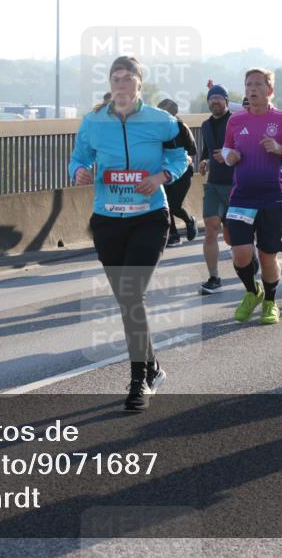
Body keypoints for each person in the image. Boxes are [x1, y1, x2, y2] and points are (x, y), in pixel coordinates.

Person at [69, 56, 189, 413]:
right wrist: (78, 172)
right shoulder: (93, 122)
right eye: (115, 78)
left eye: (128, 78)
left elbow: (182, 157)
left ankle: (139, 379)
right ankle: (152, 366)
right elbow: (78, 157)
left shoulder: (161, 120)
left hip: (150, 217)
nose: (121, 84)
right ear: (110, 84)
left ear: (139, 84)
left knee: (131, 292)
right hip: (108, 219)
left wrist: (161, 177)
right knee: (127, 300)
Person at [222, 68, 282, 324]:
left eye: (259, 84)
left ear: (270, 90)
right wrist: (230, 157)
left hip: (272, 196)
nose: (253, 89)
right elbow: (227, 149)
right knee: (240, 253)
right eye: (249, 84)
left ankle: (270, 300)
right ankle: (253, 291)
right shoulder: (235, 120)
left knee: (268, 256)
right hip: (242, 196)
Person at [198, 82, 235, 294]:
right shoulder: (205, 125)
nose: (215, 101)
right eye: (211, 98)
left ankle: (251, 255)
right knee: (211, 229)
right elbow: (207, 150)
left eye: (219, 98)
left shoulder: (236, 121)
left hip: (235, 184)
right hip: (213, 184)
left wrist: (230, 153)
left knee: (232, 236)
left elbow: (245, 148)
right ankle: (214, 277)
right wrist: (204, 160)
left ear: (226, 101)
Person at [157, 99, 198, 247]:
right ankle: (173, 235)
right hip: (164, 172)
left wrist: (183, 161)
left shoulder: (181, 127)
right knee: (166, 205)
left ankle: (189, 221)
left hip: (182, 172)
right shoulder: (157, 130)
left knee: (175, 205)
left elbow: (192, 151)